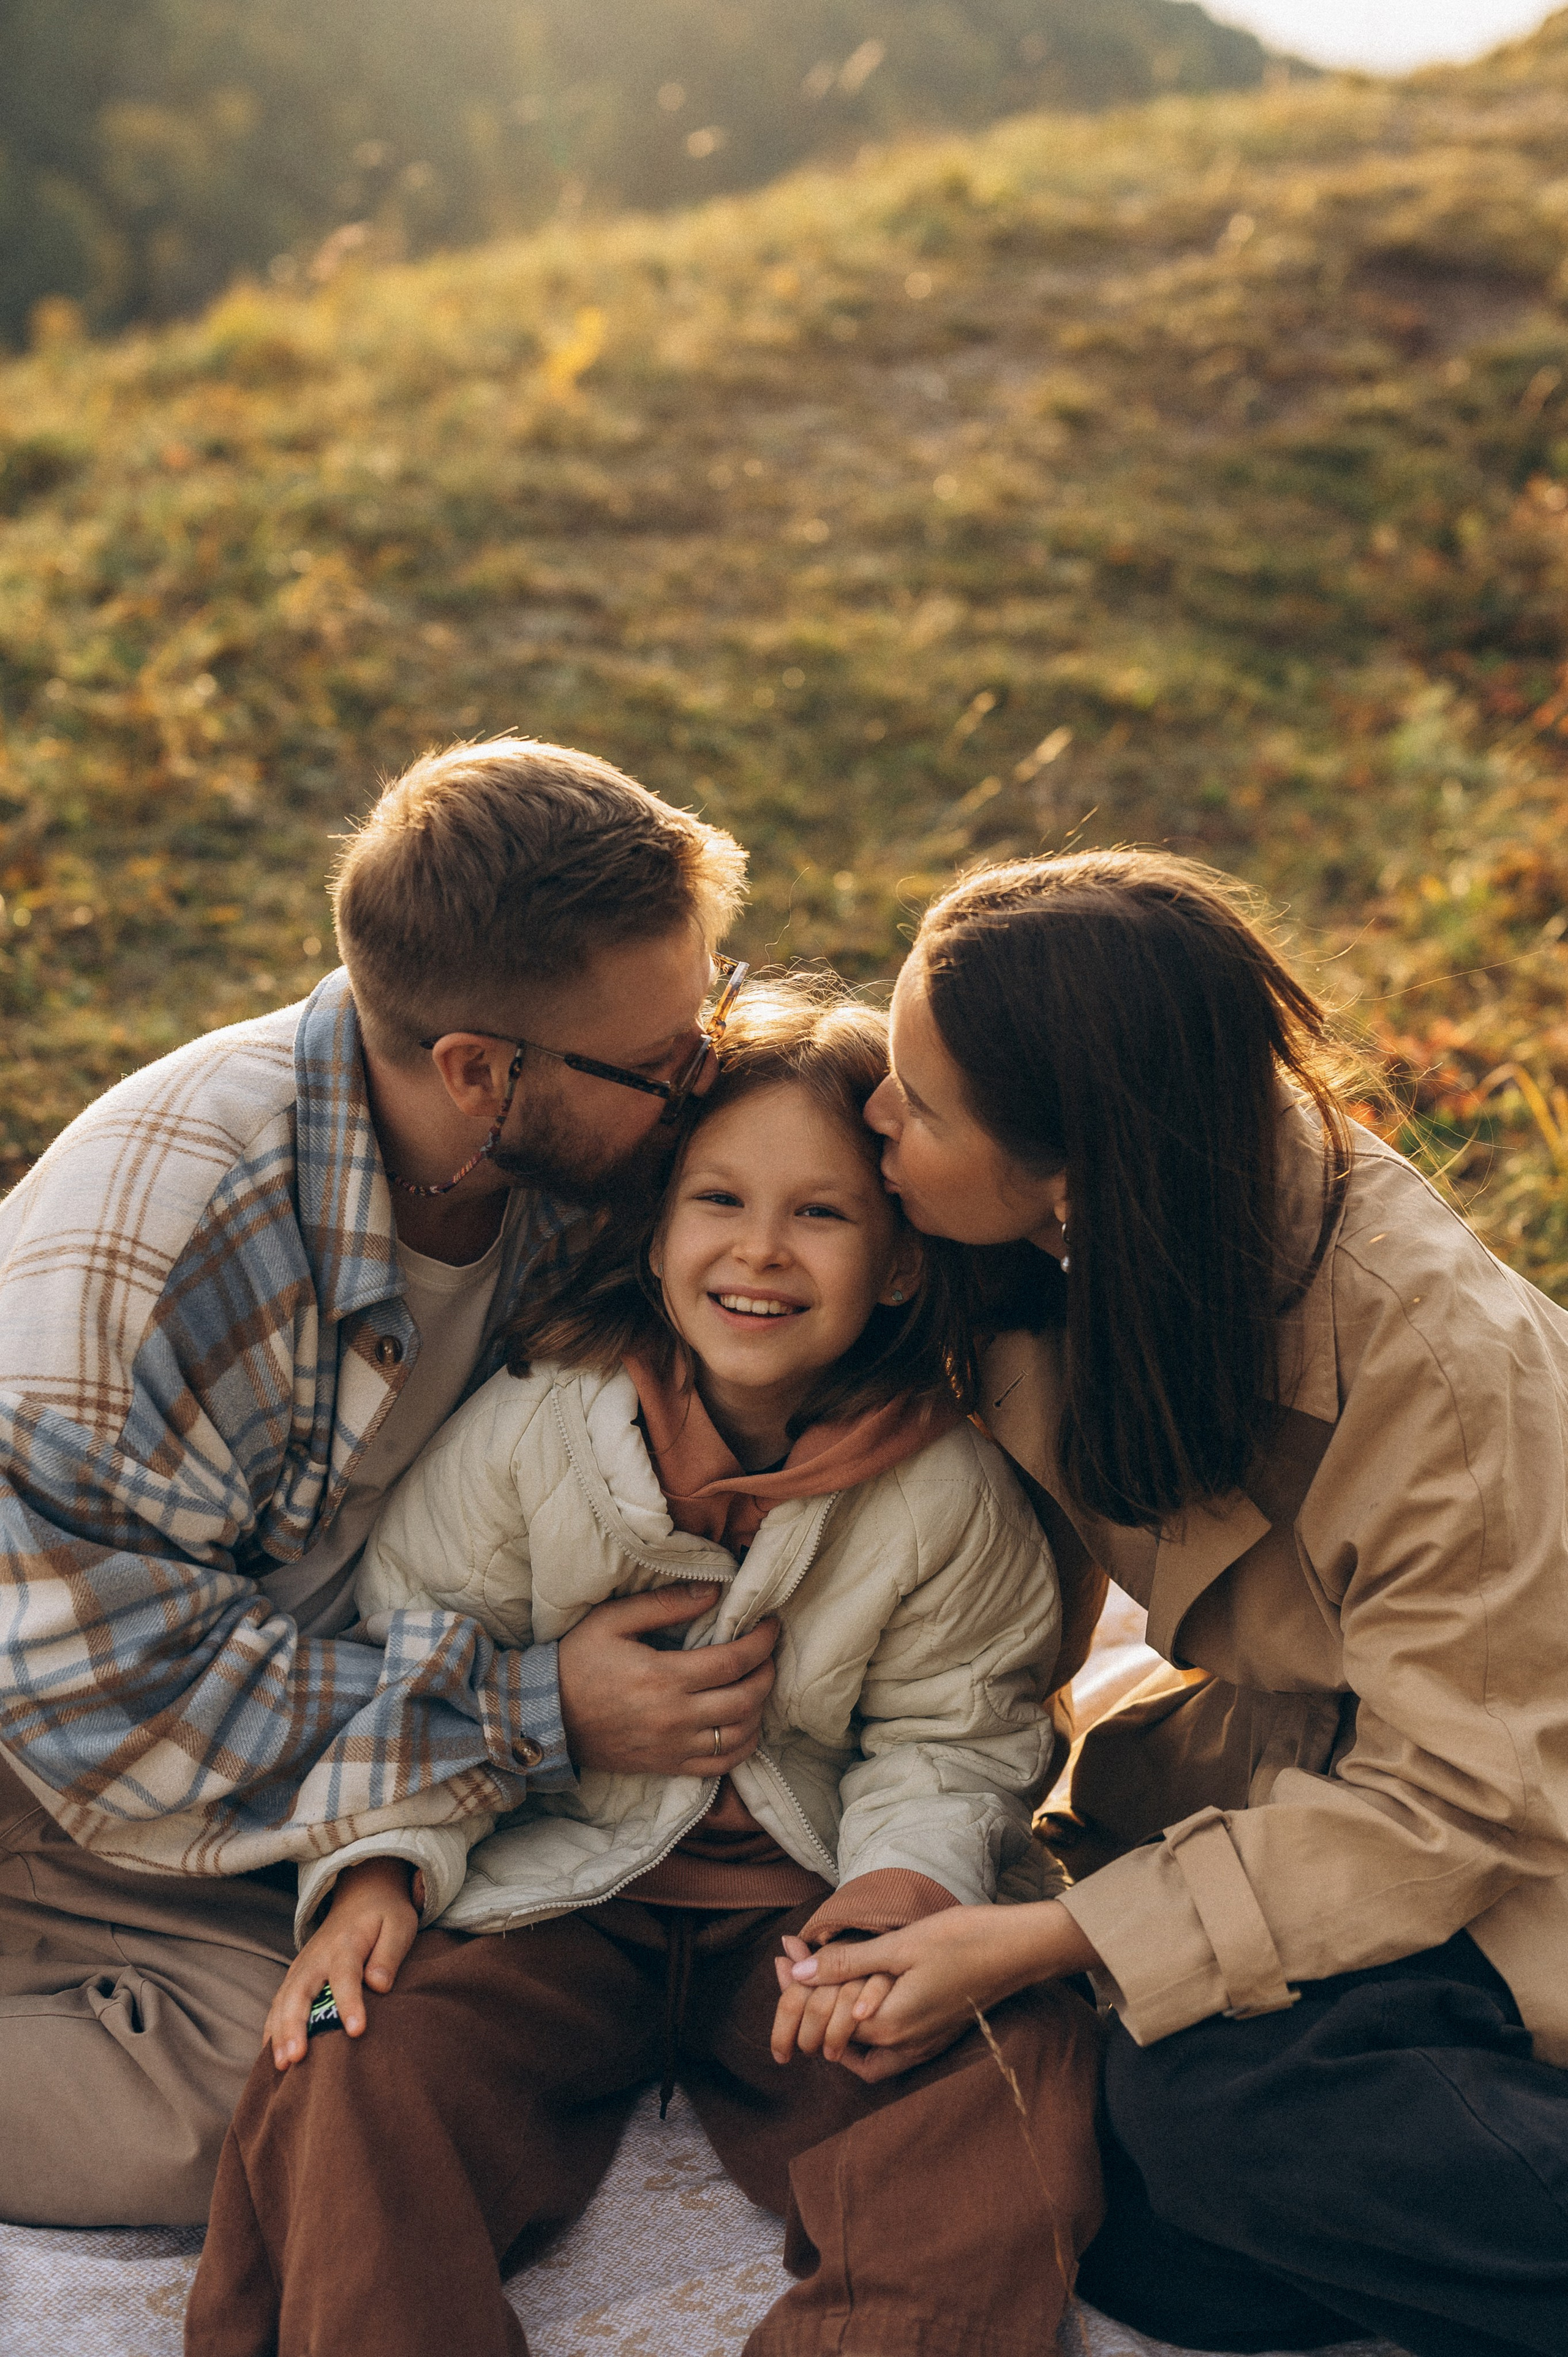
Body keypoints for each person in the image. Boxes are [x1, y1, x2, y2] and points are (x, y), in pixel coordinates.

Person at [184, 979, 1105, 2357]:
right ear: (659, 1229)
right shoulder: (531, 1430)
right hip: (549, 1881)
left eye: (823, 1213)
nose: (761, 1252)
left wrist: (895, 1892)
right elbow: (415, 1647)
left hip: (796, 1910)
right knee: (342, 2049)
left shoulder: (944, 1493)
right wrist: (379, 1864)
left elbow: (953, 1736)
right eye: (719, 1202)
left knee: (1003, 2075)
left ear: (901, 1260)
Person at [0, 736, 799, 2228]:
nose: (700, 1084)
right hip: (60, 1741)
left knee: (433, 2025)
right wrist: (531, 1708)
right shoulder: (163, 1260)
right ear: (479, 1071)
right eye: (666, 1062)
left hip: (291, 1676)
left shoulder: (541, 1154)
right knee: (286, 2088)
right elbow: (115, 1714)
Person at [791, 850, 1568, 2357]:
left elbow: (1458, 1804)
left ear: (1068, 1169)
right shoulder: (1121, 1225)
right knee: (1144, 2234)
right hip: (1303, 1756)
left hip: (1513, 1817)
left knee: (1197, 2108)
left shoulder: (1440, 1381)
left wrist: (1049, 1940)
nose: (874, 1114)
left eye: (918, 1102)